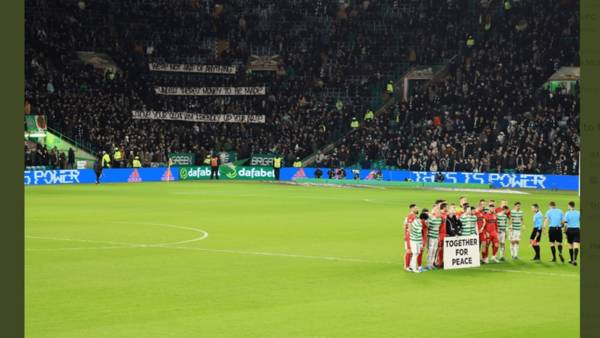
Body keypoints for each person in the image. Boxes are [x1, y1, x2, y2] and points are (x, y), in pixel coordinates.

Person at [563, 201, 580, 265]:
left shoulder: (567, 213)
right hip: (577, 230)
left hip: (569, 230)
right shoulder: (578, 212)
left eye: (568, 206)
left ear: (569, 206)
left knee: (570, 245)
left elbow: (565, 224)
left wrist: (564, 231)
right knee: (576, 245)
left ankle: (571, 259)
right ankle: (575, 259)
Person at [426, 204, 442, 270]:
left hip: (436, 237)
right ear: (435, 213)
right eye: (438, 213)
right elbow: (427, 226)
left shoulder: (439, 220)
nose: (440, 214)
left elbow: (438, 229)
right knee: (430, 250)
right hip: (431, 237)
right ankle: (428, 264)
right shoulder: (431, 219)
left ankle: (432, 264)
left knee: (434, 250)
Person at [404, 204, 419, 270]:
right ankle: (407, 266)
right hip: (410, 236)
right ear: (412, 209)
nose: (417, 209)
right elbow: (408, 226)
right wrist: (407, 235)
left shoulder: (414, 216)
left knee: (412, 251)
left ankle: (409, 265)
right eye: (416, 208)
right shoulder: (410, 216)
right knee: (409, 251)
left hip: (413, 235)